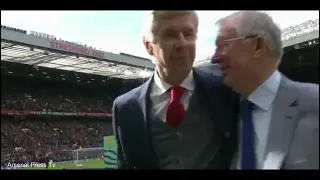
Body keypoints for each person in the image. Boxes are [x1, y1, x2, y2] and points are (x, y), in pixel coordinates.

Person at [112, 11, 240, 169]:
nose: (182, 43)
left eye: (189, 34)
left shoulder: (225, 87)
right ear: (149, 46)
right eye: (170, 35)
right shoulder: (125, 107)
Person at [213, 11, 319, 169]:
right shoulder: (226, 110)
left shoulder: (314, 103)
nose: (215, 57)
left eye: (224, 45)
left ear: (258, 46)